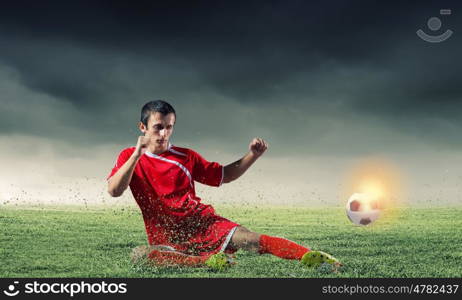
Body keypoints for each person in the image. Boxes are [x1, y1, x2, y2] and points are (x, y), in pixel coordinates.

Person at [107, 100, 341, 271]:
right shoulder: (128, 156)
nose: (165, 133)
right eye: (158, 126)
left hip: (202, 223)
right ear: (143, 128)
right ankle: (208, 262)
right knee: (140, 256)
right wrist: (137, 156)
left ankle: (311, 257)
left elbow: (225, 175)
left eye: (169, 126)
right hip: (167, 234)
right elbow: (114, 191)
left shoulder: (186, 157)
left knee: (249, 239)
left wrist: (252, 155)